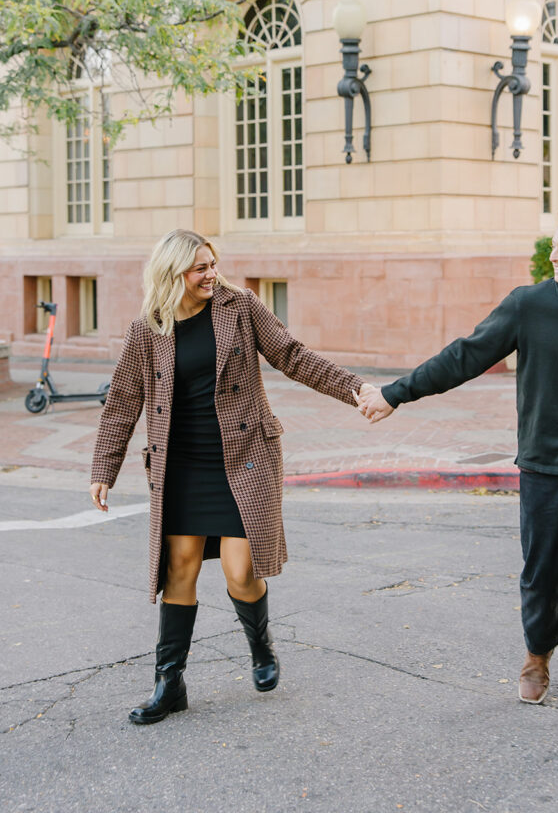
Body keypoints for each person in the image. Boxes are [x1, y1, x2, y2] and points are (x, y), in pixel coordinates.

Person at [355, 206, 558, 766]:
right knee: (542, 573)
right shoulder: (527, 305)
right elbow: (466, 356)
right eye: (554, 247)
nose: (554, 256)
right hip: (544, 464)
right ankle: (537, 650)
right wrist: (395, 393)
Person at [90, 229, 366, 725]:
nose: (211, 275)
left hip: (243, 458)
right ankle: (169, 683)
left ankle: (261, 648)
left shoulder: (239, 307)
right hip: (182, 466)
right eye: (200, 268)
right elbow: (123, 402)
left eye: (212, 264)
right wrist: (103, 468)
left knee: (241, 572)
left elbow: (293, 356)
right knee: (179, 571)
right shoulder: (147, 330)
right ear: (173, 274)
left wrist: (356, 389)